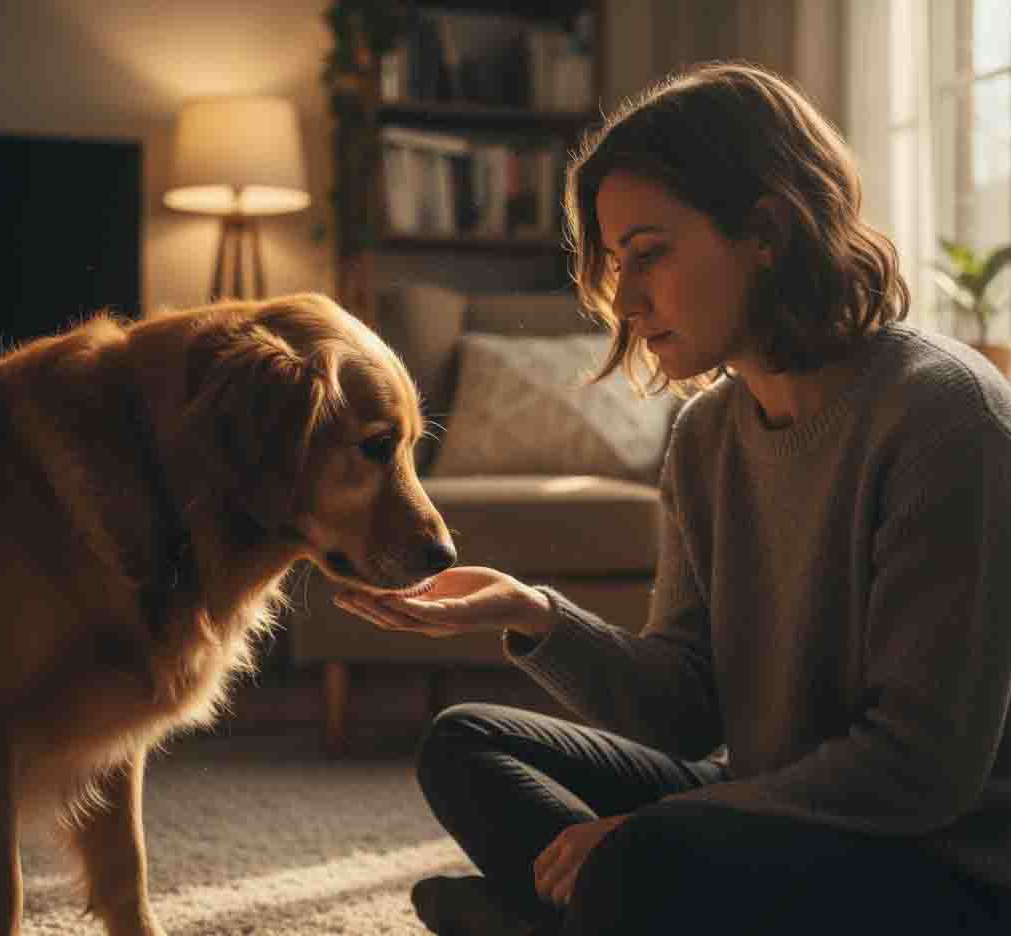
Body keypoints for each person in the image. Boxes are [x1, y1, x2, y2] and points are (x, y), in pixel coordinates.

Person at [334, 61, 1011, 934]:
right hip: (768, 803)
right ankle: (597, 911)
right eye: (615, 262)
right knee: (466, 744)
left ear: (764, 231)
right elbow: (684, 709)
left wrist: (654, 830)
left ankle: (563, 913)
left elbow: (919, 768)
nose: (625, 299)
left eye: (649, 254)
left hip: (938, 858)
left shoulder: (947, 419)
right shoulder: (705, 437)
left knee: (641, 859)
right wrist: (533, 614)